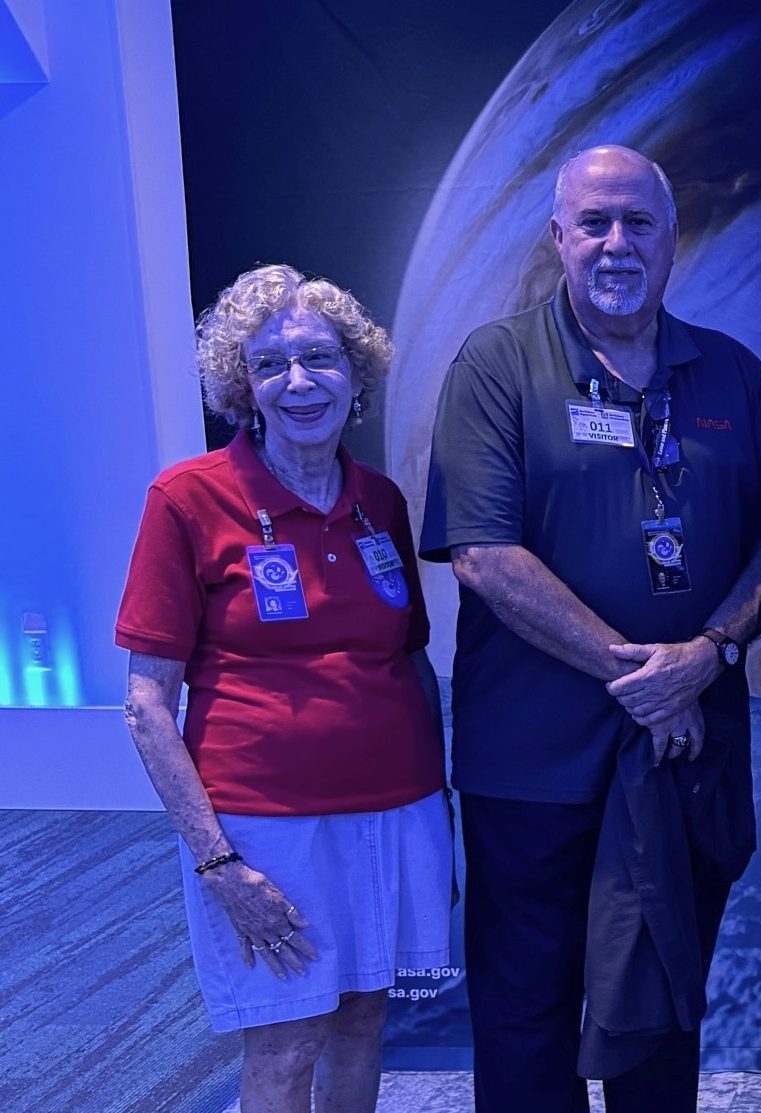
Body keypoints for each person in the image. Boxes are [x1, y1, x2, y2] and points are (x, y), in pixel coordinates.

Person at [420, 144, 761, 1111]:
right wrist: (644, 679)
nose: (617, 243)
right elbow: (484, 556)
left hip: (685, 755)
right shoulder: (496, 365)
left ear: (676, 239)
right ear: (559, 238)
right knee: (525, 1012)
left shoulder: (734, 374)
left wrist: (705, 655)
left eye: (639, 222)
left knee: (663, 1007)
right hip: (534, 762)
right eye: (595, 223)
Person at [116, 264, 450, 1113]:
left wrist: (438, 806)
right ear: (244, 388)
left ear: (356, 376)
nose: (299, 382)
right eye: (271, 364)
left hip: (395, 809)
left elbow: (408, 658)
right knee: (287, 1034)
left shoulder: (380, 501)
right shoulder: (187, 498)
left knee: (365, 1016)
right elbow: (147, 703)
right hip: (262, 827)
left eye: (320, 358)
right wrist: (219, 861)